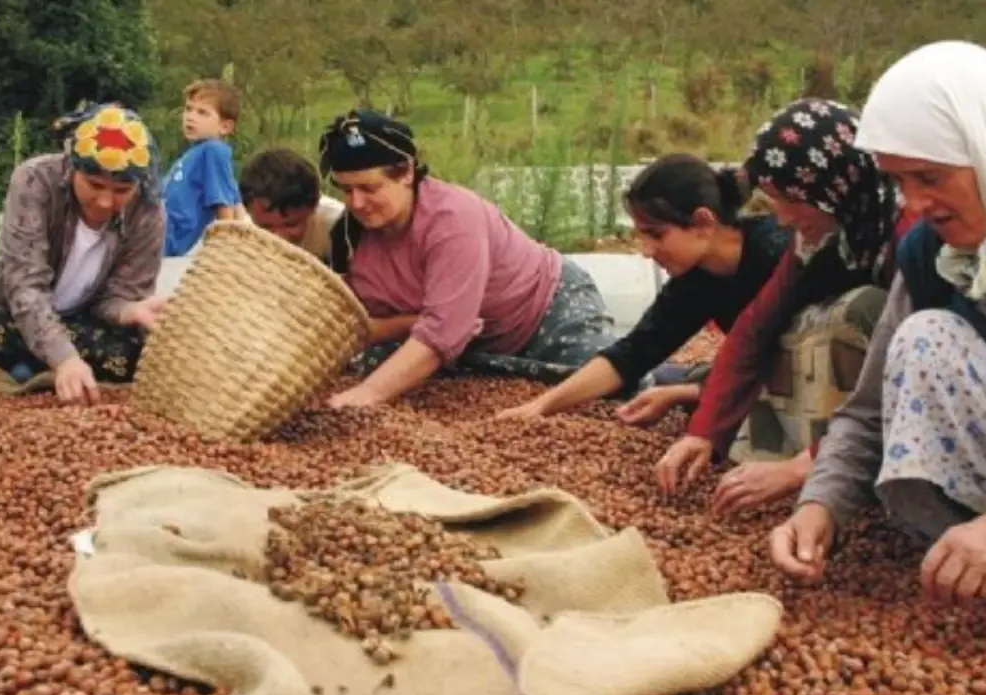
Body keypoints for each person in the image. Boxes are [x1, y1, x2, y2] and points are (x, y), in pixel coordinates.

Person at [769, 41, 986, 611]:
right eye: (899, 182)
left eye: (930, 177)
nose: (916, 203)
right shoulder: (933, 256)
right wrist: (821, 506)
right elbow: (868, 412)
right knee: (924, 341)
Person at [652, 99, 919, 513]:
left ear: (829, 188)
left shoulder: (910, 238)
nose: (780, 219)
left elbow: (909, 381)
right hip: (848, 422)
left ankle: (855, 474)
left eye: (786, 198)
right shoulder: (822, 240)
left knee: (862, 308)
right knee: (792, 329)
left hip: (901, 413)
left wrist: (804, 467)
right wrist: (703, 431)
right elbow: (755, 329)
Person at [317, 109, 620, 408]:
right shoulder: (347, 237)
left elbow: (441, 334)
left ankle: (667, 373)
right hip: (471, 345)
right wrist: (407, 323)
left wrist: (367, 394)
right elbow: (354, 326)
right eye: (346, 189)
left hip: (543, 314)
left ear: (407, 172)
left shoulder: (453, 220)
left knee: (613, 387)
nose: (356, 203)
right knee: (370, 364)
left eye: (370, 188)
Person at [496, 153, 791, 425]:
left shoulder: (779, 254)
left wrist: (683, 394)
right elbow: (632, 354)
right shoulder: (697, 279)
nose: (647, 251)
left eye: (656, 234)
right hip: (756, 370)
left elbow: (791, 367)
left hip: (806, 384)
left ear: (703, 221)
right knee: (663, 378)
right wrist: (541, 406)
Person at [0, 102, 166, 405]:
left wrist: (129, 311)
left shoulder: (147, 213)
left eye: (121, 190)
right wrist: (64, 358)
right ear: (73, 168)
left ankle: (18, 364)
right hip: (11, 315)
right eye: (94, 185)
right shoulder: (35, 180)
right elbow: (24, 284)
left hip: (82, 327)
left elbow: (116, 297)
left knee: (133, 353)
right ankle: (39, 364)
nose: (106, 201)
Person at [162, 79, 245, 257]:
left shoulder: (213, 150)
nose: (190, 117)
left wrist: (227, 249)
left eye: (202, 112)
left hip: (170, 235)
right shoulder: (194, 153)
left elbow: (224, 203)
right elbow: (234, 195)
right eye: (188, 109)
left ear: (225, 126)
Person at [240, 147, 345, 256]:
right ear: (249, 213)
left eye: (291, 224)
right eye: (265, 227)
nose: (278, 238)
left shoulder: (339, 226)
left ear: (315, 206)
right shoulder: (243, 237)